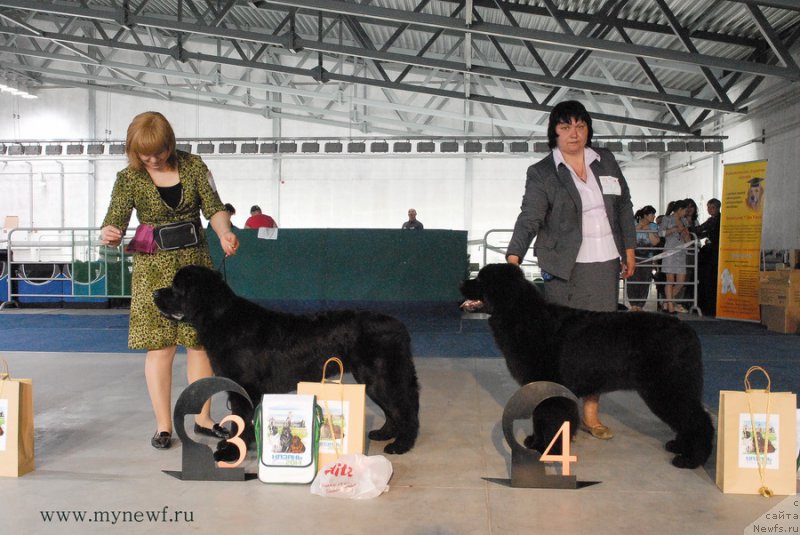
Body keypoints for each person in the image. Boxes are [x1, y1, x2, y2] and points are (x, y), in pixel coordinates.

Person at [100, 111, 239, 450]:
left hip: (195, 265)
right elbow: (113, 221)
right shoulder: (128, 178)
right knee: (160, 347)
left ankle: (204, 419)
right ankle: (164, 426)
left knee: (199, 343)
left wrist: (224, 232)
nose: (153, 158)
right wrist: (109, 233)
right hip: (153, 269)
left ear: (170, 144)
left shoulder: (194, 166)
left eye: (159, 152)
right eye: (145, 153)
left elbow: (214, 207)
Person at [505, 100, 636, 441]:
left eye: (579, 126)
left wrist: (629, 249)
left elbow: (623, 206)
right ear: (554, 132)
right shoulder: (542, 172)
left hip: (604, 262)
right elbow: (529, 216)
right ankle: (560, 416)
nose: (573, 134)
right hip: (562, 266)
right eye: (565, 127)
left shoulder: (605, 160)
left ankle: (591, 413)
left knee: (596, 344)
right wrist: (513, 257)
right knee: (560, 346)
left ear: (588, 129)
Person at [658, 199, 691, 314]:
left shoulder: (684, 221)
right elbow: (661, 233)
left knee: (681, 282)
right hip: (670, 251)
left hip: (681, 252)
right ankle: (670, 305)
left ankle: (666, 302)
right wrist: (673, 230)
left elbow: (687, 237)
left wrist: (686, 236)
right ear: (679, 209)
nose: (686, 212)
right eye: (685, 210)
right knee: (670, 280)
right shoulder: (667, 219)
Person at [627, 205, 660, 311]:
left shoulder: (654, 226)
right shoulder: (633, 223)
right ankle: (633, 304)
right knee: (632, 281)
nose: (654, 216)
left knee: (645, 281)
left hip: (647, 258)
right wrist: (638, 228)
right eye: (652, 214)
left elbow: (655, 242)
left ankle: (640, 305)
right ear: (645, 215)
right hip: (634, 257)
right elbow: (628, 236)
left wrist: (649, 230)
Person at [694, 198, 721, 316]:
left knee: (708, 279)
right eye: (708, 207)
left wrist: (686, 230)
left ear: (718, 207)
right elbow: (702, 232)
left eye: (712, 207)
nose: (710, 210)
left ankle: (709, 306)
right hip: (714, 252)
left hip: (712, 253)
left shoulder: (713, 221)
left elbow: (700, 230)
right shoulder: (715, 220)